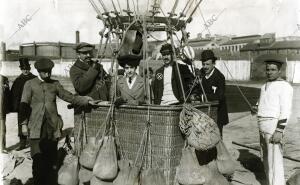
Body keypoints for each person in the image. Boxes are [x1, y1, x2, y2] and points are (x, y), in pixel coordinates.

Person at [19, 58, 94, 185]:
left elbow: (68, 96)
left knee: (51, 159)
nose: (48, 74)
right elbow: (23, 105)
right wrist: (24, 124)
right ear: (38, 71)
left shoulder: (55, 84)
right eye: (44, 72)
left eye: (49, 72)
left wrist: (85, 100)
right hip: (36, 127)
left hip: (52, 128)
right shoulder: (30, 84)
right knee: (37, 159)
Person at [252, 59, 293, 185]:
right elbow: (262, 103)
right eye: (268, 69)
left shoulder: (285, 87)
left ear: (280, 71)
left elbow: (286, 110)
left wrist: (279, 131)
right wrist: (256, 107)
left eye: (273, 70)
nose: (269, 72)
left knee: (275, 161)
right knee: (266, 159)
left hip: (273, 126)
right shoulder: (264, 85)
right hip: (262, 125)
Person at [193, 50, 229, 136]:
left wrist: (201, 97)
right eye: (203, 64)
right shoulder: (201, 73)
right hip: (204, 113)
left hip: (217, 114)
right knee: (203, 139)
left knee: (216, 139)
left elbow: (219, 96)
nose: (205, 67)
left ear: (213, 64)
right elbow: (195, 89)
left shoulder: (219, 77)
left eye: (207, 64)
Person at [69, 42, 109, 114]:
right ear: (78, 54)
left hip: (103, 104)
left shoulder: (97, 65)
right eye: (85, 53)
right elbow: (81, 87)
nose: (88, 55)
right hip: (87, 108)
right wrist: (92, 70)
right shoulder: (74, 69)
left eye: (90, 52)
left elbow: (107, 81)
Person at [10, 57, 36, 150]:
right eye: (23, 69)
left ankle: (34, 143)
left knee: (33, 124)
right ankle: (22, 143)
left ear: (30, 68)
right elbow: (14, 95)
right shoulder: (18, 80)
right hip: (22, 107)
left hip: (33, 106)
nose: (25, 70)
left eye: (27, 68)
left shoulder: (35, 79)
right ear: (20, 69)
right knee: (21, 124)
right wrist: (15, 107)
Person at [0, 74, 10, 152]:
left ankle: (2, 147)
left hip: (1, 110)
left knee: (2, 130)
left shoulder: (4, 79)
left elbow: (8, 94)